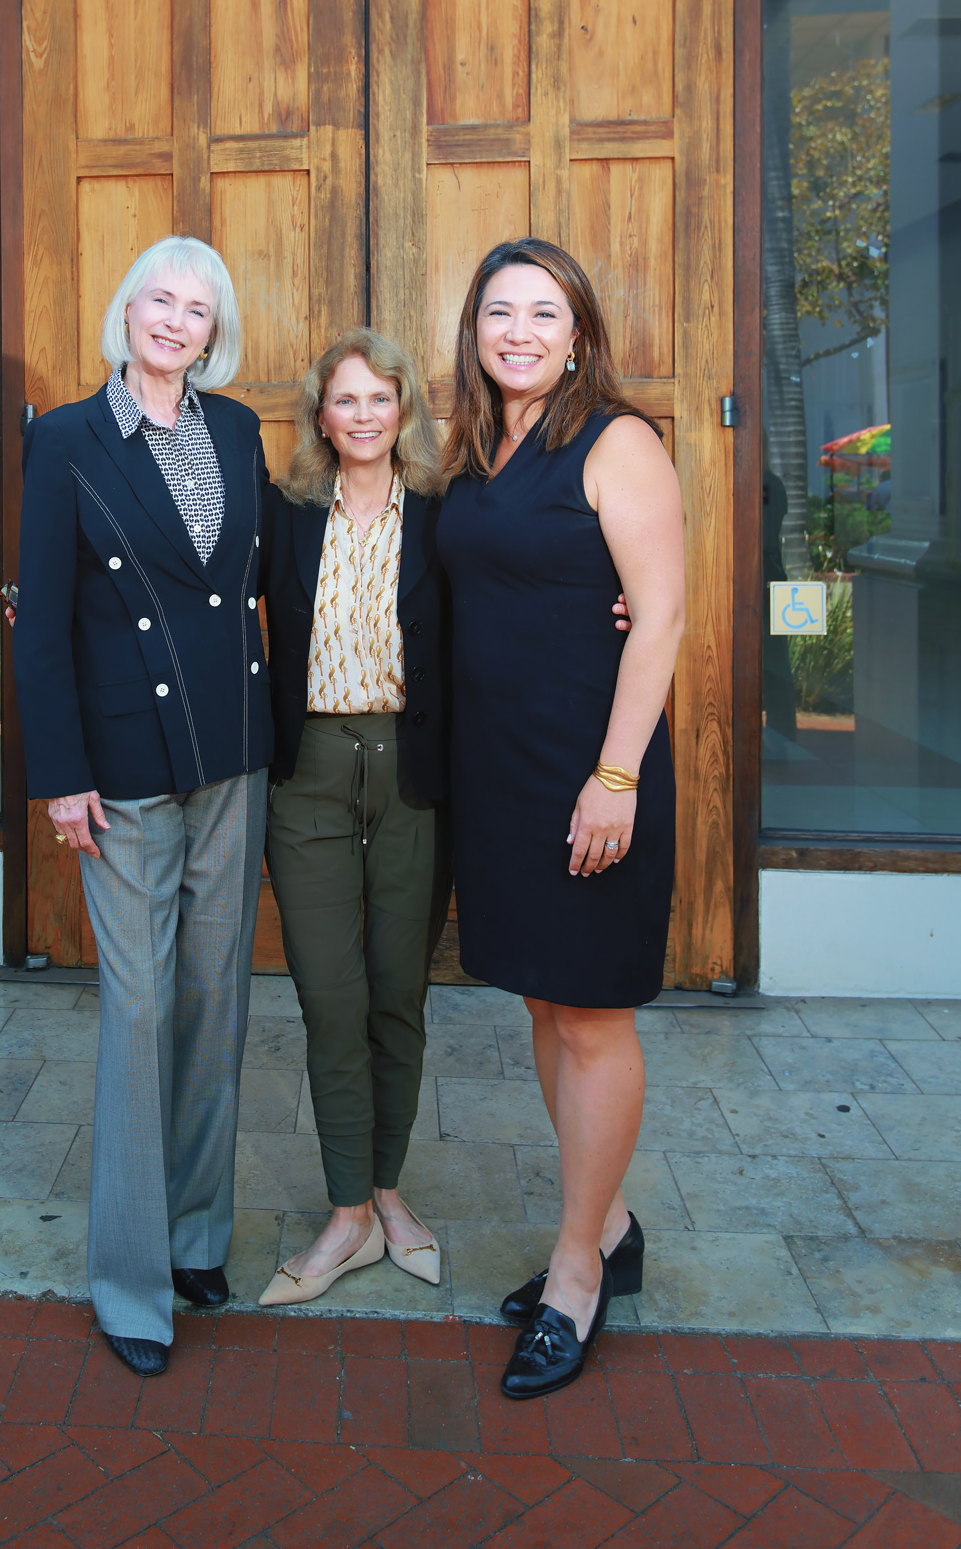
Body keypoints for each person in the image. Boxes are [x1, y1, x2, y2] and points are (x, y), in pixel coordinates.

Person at [12, 235, 272, 1378]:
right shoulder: (66, 438)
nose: (176, 321)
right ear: (125, 312)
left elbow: (287, 572)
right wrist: (59, 774)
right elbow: (41, 623)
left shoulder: (237, 431)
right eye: (159, 300)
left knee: (217, 998)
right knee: (137, 1006)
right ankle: (129, 1280)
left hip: (234, 753)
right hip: (119, 768)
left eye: (198, 309)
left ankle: (197, 1236)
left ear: (215, 332)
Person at [436, 238, 683, 1401]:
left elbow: (666, 616)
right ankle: (613, 1218)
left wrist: (618, 778)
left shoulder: (617, 439)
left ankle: (578, 1268)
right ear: (475, 330)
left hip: (592, 767)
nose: (520, 330)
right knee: (545, 998)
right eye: (500, 311)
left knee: (592, 1017)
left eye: (544, 311)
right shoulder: (483, 447)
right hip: (503, 774)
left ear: (578, 331)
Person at [257, 329, 452, 1304]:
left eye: (382, 398)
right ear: (321, 416)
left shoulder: (448, 517)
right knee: (329, 996)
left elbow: (512, 606)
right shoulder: (286, 515)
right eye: (347, 400)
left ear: (404, 409)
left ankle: (388, 1194)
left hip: (411, 771)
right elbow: (200, 595)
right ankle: (346, 1213)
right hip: (311, 773)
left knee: (394, 994)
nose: (365, 415)